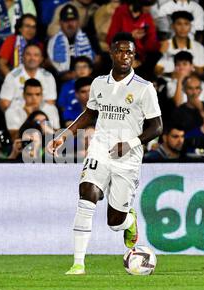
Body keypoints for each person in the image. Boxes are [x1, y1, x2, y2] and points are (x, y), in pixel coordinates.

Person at [47, 32, 163, 275]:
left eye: (130, 52)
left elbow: (157, 127)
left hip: (128, 157)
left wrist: (130, 143)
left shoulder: (144, 89)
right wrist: (65, 135)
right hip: (100, 148)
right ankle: (78, 264)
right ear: (112, 54)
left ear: (134, 56)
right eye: (120, 51)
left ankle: (129, 221)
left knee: (115, 222)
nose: (125, 56)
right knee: (86, 195)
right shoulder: (99, 83)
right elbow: (90, 114)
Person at [106, 0, 160, 75]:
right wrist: (130, 36)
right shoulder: (121, 12)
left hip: (140, 56)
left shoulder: (147, 16)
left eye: (151, 5)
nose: (149, 8)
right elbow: (110, 38)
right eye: (147, 5)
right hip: (122, 52)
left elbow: (152, 42)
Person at [0, 43, 57, 112]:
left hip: (41, 116)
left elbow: (50, 102)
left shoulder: (48, 77)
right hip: (18, 116)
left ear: (41, 59)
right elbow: (4, 103)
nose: (32, 58)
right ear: (23, 57)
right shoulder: (12, 76)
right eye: (28, 54)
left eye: (36, 55)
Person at [47, 3, 95, 79]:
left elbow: (96, 61)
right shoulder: (52, 42)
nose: (70, 24)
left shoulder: (90, 38)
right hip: (61, 82)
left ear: (78, 22)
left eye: (73, 20)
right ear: (60, 23)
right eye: (66, 21)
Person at [155, 11, 204, 77]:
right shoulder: (164, 45)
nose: (183, 28)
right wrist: (172, 75)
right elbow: (157, 70)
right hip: (168, 82)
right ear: (172, 26)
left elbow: (201, 72)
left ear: (190, 26)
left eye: (186, 24)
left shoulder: (199, 47)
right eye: (179, 24)